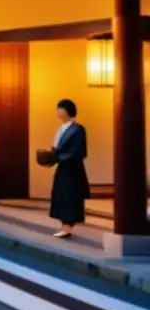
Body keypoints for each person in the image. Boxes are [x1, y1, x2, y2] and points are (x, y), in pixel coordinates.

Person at [49, 99, 89, 239]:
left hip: (73, 169)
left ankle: (67, 228)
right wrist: (50, 157)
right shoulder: (61, 129)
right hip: (63, 168)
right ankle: (64, 227)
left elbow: (79, 151)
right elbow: (56, 149)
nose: (58, 112)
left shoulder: (78, 129)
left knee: (70, 198)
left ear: (67, 111)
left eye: (60, 109)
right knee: (61, 197)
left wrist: (61, 158)